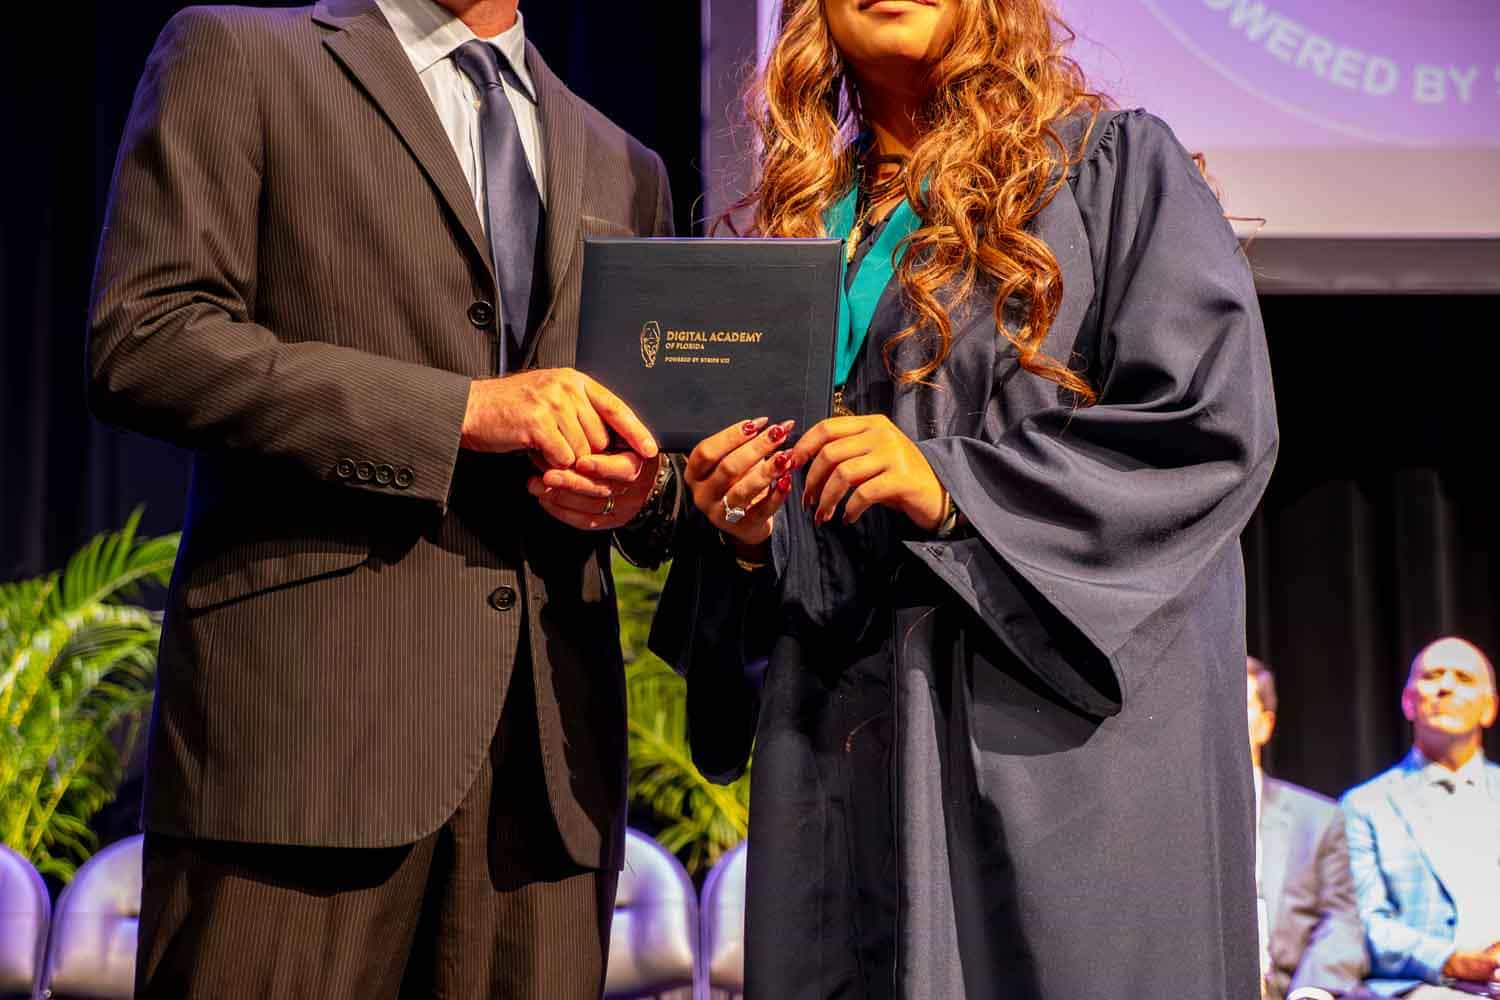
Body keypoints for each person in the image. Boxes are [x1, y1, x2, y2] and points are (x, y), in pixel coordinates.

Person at [643, 0, 1278, 995]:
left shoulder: (1111, 171)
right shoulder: (804, 234)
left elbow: (1207, 425)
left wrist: (947, 485)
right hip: (844, 762)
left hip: (1054, 762)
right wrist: (746, 530)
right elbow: (772, 588)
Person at [86, 0, 680, 995]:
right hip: (305, 750)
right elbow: (147, 339)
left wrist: (639, 492)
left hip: (543, 781)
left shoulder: (627, 162)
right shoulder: (241, 55)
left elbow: (654, 447)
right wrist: (456, 412)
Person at [1341, 637, 1500, 998]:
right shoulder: (1366, 805)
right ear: (1408, 702)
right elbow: (1365, 922)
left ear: (1489, 709)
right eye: (1432, 676)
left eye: (1463, 677)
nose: (1445, 686)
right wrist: (1452, 960)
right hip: (1429, 985)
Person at [1247, 656, 1368, 998]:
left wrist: (1312, 992)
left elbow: (1341, 919)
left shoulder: (1316, 818)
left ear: (1266, 724)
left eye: (1238, 705)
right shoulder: (1174, 819)